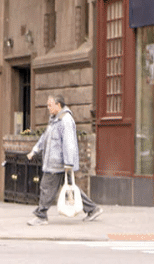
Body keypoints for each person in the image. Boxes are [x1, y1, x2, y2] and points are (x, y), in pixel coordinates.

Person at [26, 94, 102, 225]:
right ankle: (93, 209)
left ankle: (41, 215)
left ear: (58, 105)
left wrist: (68, 163)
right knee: (71, 188)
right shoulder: (55, 120)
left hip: (57, 164)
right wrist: (34, 150)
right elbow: (45, 137)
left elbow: (69, 143)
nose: (48, 107)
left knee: (46, 187)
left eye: (50, 105)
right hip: (57, 163)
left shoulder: (65, 120)